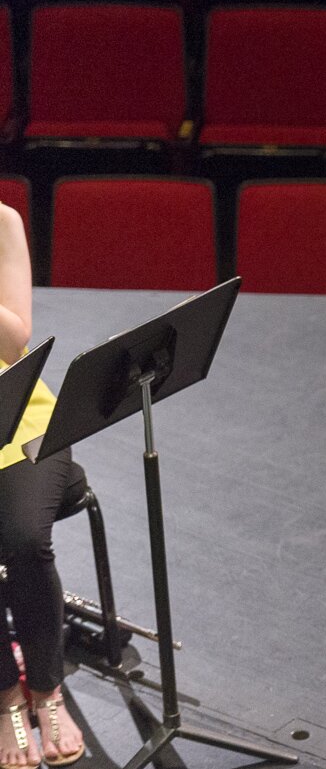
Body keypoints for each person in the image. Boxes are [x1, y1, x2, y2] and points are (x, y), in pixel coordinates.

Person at [0, 202, 86, 768]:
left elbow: (14, 342)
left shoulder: (2, 222)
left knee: (25, 540)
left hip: (17, 419)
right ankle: (6, 693)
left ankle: (47, 688)